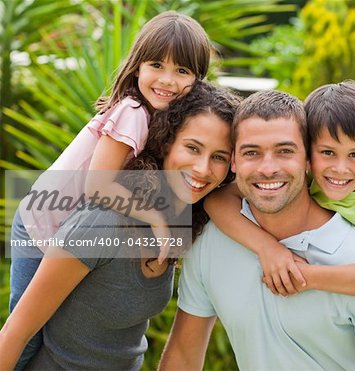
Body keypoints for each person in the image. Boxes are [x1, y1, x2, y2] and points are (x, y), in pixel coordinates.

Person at [159, 90, 355, 370]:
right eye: (251, 153)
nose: (268, 168)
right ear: (234, 161)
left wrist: (306, 276)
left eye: (285, 151)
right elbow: (183, 359)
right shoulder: (212, 241)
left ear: (308, 159)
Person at [8, 10, 212, 369]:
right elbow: (98, 186)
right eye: (156, 65)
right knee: (27, 333)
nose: (168, 80)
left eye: (182, 71)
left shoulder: (162, 120)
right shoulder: (133, 111)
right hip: (41, 223)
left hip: (70, 227)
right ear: (137, 68)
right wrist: (160, 221)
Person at [0, 81, 241, 370]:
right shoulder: (104, 222)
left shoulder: (181, 223)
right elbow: (16, 333)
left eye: (219, 157)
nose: (203, 168)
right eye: (192, 148)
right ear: (166, 144)